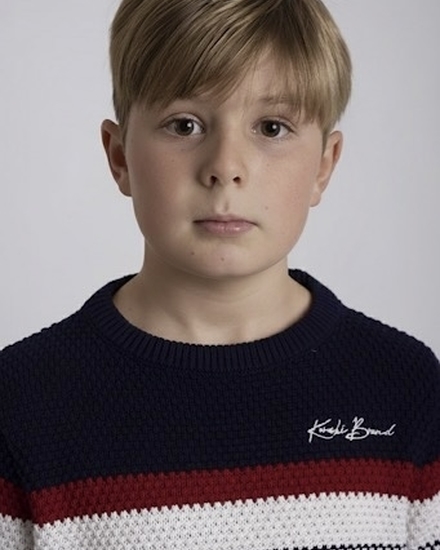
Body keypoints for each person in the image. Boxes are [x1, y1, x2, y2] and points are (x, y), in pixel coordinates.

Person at [0, 0, 439, 548]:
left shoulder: (406, 389)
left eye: (272, 127)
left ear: (324, 166)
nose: (225, 167)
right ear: (119, 157)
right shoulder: (21, 404)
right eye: (184, 125)